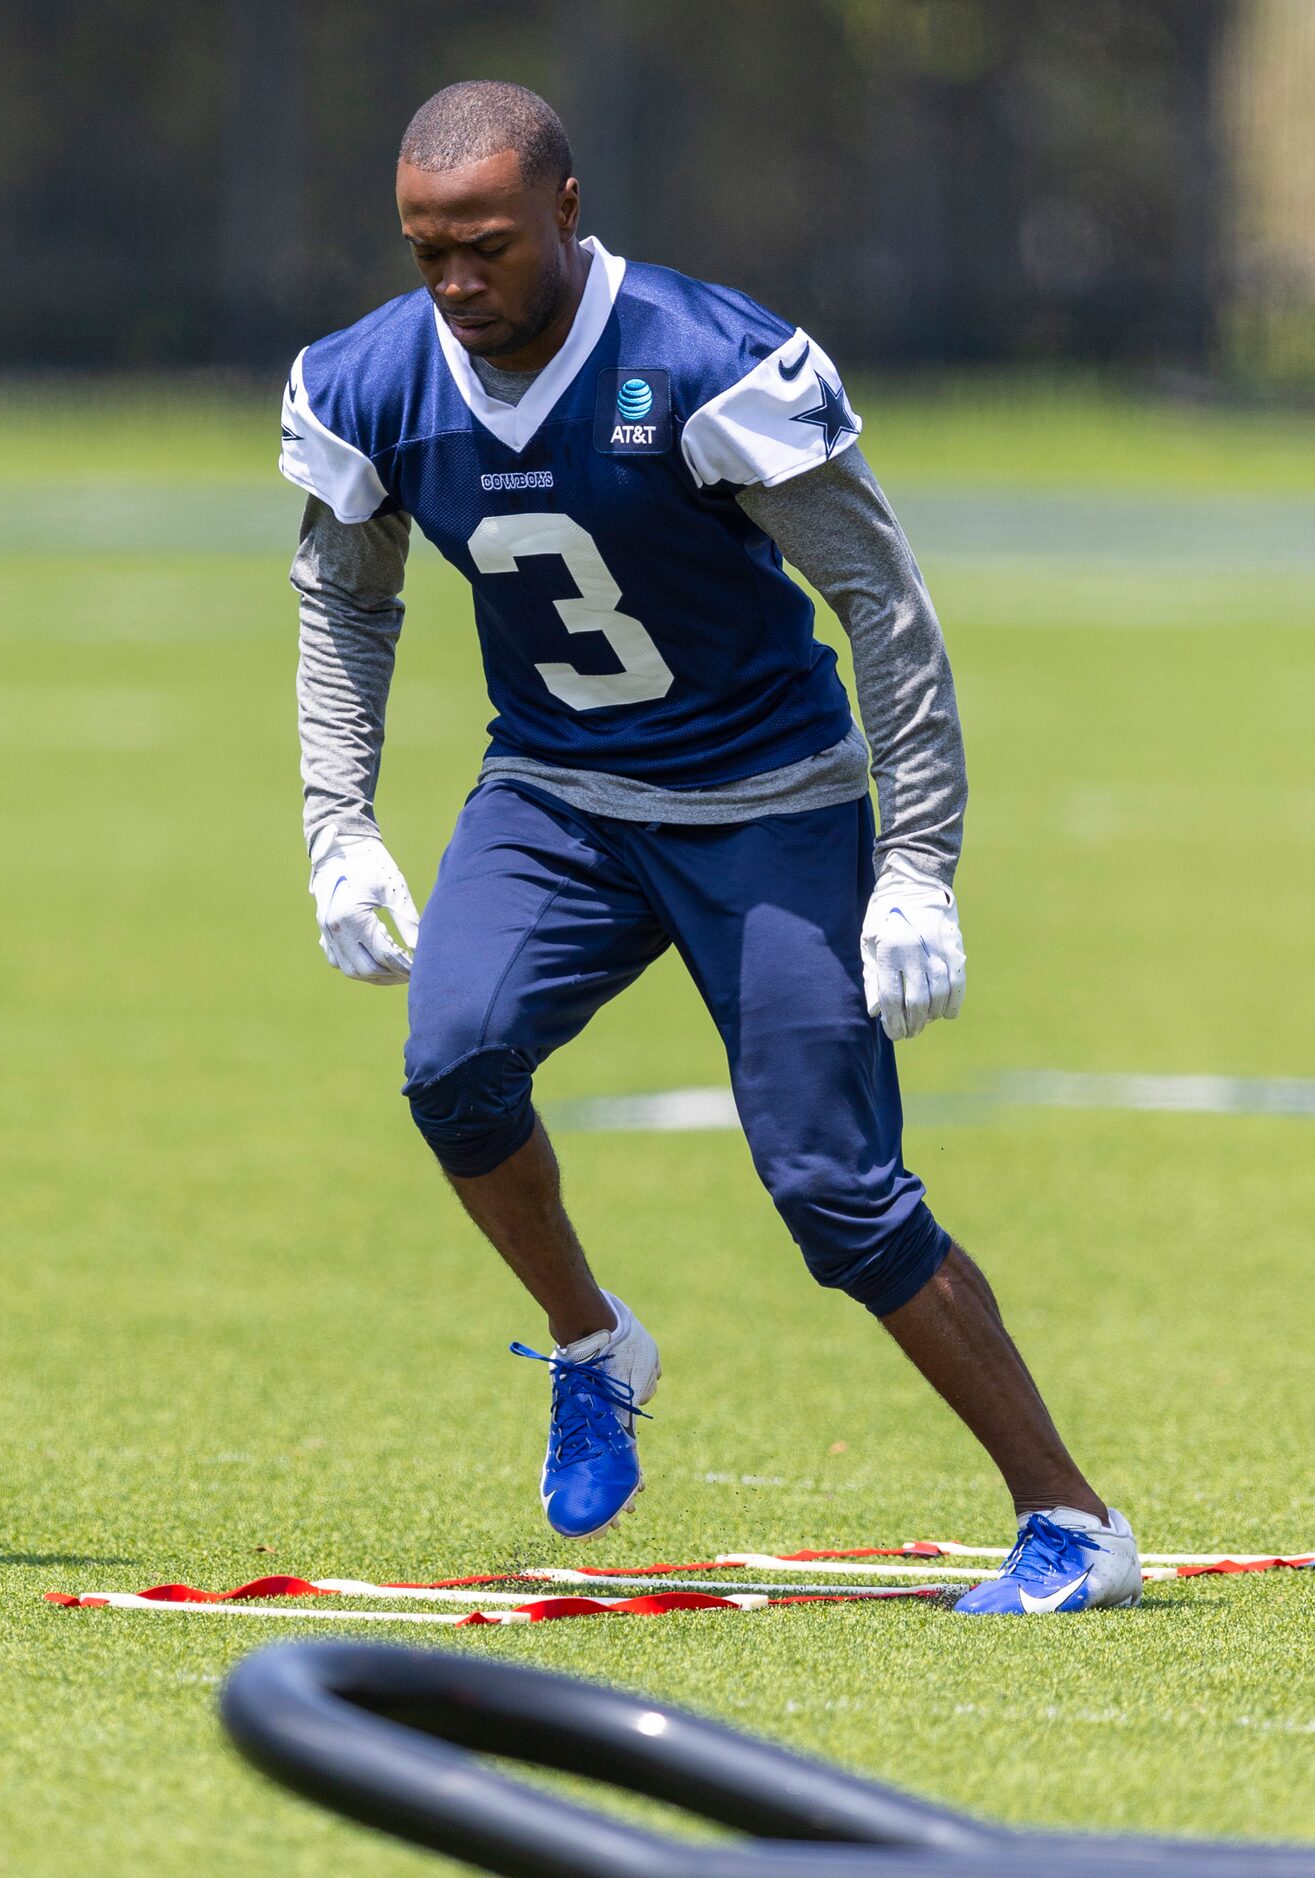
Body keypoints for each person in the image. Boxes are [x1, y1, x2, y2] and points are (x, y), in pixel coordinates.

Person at [279, 80, 1141, 1614]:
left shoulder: (704, 360)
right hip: (554, 794)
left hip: (770, 800)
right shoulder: (373, 380)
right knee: (450, 1062)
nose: (456, 284)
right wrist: (337, 826)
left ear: (565, 205)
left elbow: (881, 600)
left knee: (836, 1189)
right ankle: (597, 1343)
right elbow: (347, 596)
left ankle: (1071, 1518)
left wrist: (918, 859)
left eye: (483, 245)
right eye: (426, 254)